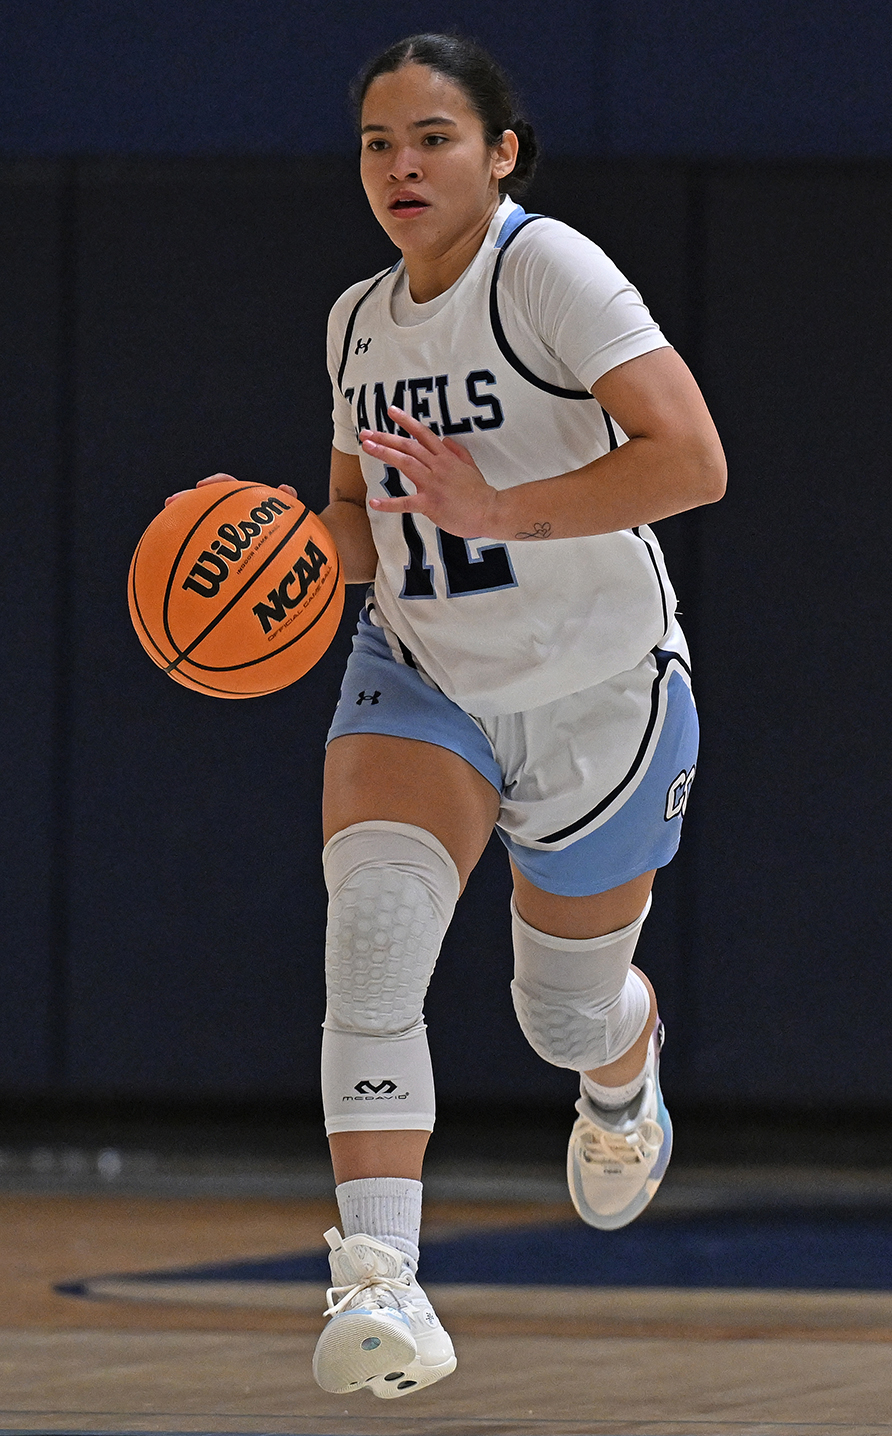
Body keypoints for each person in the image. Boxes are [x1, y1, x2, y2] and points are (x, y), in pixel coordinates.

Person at [175, 34, 725, 1396]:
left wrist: (500, 510)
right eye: (378, 143)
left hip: (600, 688)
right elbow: (357, 515)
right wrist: (276, 559)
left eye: (432, 138)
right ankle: (381, 1282)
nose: (402, 166)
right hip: (422, 671)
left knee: (562, 1014)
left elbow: (694, 460)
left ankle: (622, 1068)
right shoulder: (356, 319)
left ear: (501, 153)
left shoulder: (548, 271)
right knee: (369, 927)